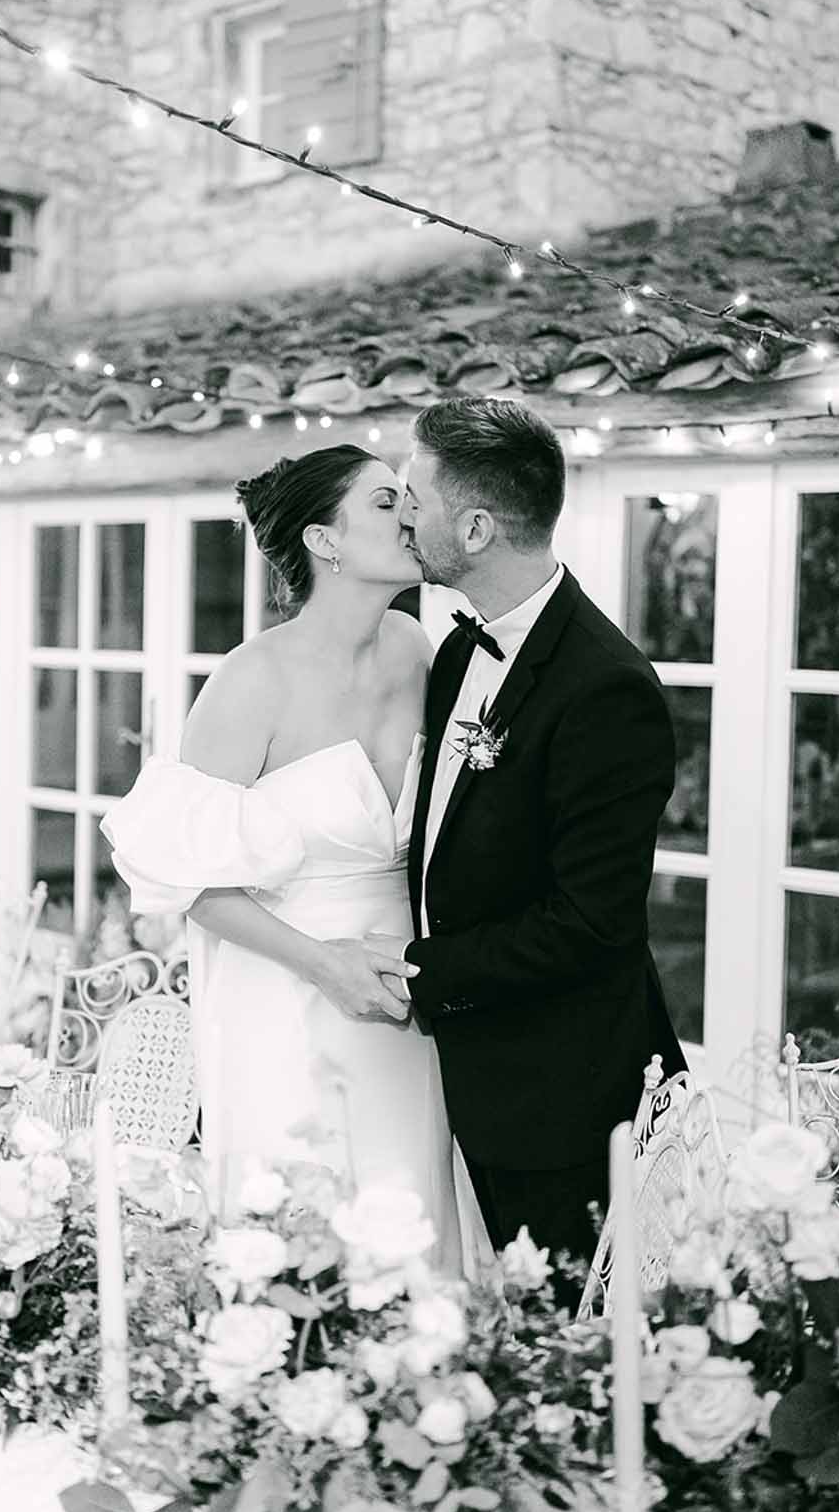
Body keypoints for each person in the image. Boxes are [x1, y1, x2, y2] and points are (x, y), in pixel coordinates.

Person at [100, 446, 482, 1262]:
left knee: (409, 1213)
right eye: (386, 503)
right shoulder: (252, 678)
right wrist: (322, 963)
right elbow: (184, 881)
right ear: (324, 540)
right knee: (303, 1227)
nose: (411, 515)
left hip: (402, 991)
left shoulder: (418, 648)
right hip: (283, 990)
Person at [399, 396, 685, 1287]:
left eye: (415, 494)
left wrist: (419, 970)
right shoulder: (455, 654)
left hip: (556, 1095)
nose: (404, 512)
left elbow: (589, 923)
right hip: (450, 1078)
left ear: (477, 527)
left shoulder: (607, 688)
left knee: (559, 1361)